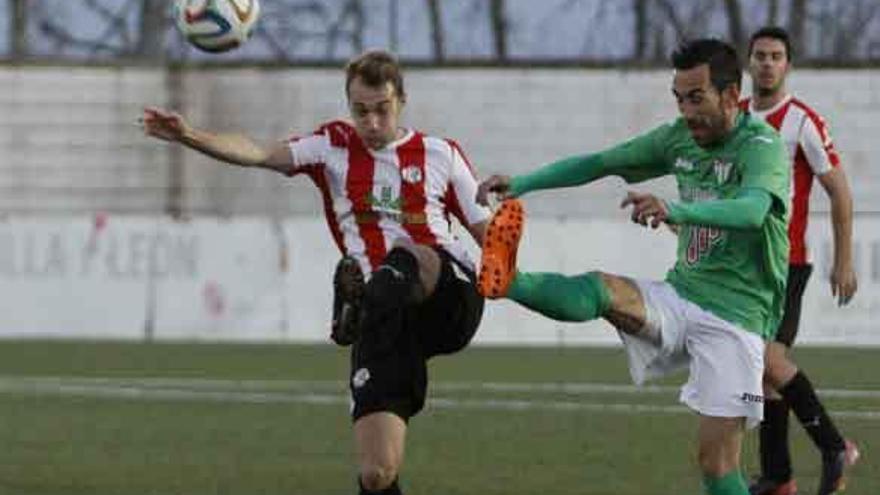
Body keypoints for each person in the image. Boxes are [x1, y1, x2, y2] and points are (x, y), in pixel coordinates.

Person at [141, 50, 490, 495]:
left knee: (404, 254)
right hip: (387, 320)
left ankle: (358, 308)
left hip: (446, 295)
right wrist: (190, 135)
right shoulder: (332, 147)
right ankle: (363, 310)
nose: (372, 122)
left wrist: (512, 238)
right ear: (349, 107)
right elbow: (260, 153)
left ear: (401, 100)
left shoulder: (441, 153)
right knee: (376, 474)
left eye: (382, 109)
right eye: (361, 111)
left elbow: (491, 236)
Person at [476, 39, 789, 495]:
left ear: (731, 96)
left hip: (738, 318)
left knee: (718, 466)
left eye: (695, 97)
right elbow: (601, 163)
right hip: (682, 295)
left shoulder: (762, 146)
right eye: (678, 98)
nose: (685, 110)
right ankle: (508, 282)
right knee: (603, 290)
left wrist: (677, 211)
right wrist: (523, 183)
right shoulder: (678, 138)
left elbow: (752, 211)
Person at [743, 26, 860, 495]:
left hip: (786, 262)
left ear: (787, 65)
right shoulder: (738, 118)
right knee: (763, 370)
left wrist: (844, 260)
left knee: (769, 359)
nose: (768, 63)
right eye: (760, 56)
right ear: (749, 64)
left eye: (776, 56)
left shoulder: (802, 121)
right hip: (745, 266)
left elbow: (840, 190)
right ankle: (777, 476)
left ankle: (834, 447)